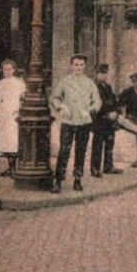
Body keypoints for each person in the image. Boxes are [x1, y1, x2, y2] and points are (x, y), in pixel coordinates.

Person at [50, 54, 100, 192]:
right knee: (64, 150)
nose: (78, 67)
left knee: (81, 150)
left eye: (81, 65)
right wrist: (61, 107)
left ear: (84, 66)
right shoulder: (64, 81)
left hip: (84, 122)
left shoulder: (90, 83)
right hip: (68, 121)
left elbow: (97, 101)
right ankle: (58, 180)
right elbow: (55, 98)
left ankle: (77, 179)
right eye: (76, 64)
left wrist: (90, 110)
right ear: (71, 66)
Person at [0, 59, 26, 177]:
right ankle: (10, 167)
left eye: (9, 69)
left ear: (13, 70)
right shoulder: (0, 83)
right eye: (5, 69)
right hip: (4, 115)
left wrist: (19, 111)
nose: (7, 71)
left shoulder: (19, 83)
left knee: (14, 141)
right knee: (5, 142)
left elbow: (24, 99)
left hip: (14, 114)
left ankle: (14, 168)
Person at [90, 63, 122, 178]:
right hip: (99, 121)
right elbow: (96, 104)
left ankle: (108, 166)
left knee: (110, 143)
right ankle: (95, 169)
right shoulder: (93, 87)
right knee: (97, 146)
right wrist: (108, 113)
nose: (104, 75)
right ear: (96, 74)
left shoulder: (108, 87)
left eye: (105, 73)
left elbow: (114, 101)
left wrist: (116, 111)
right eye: (101, 73)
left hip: (109, 122)